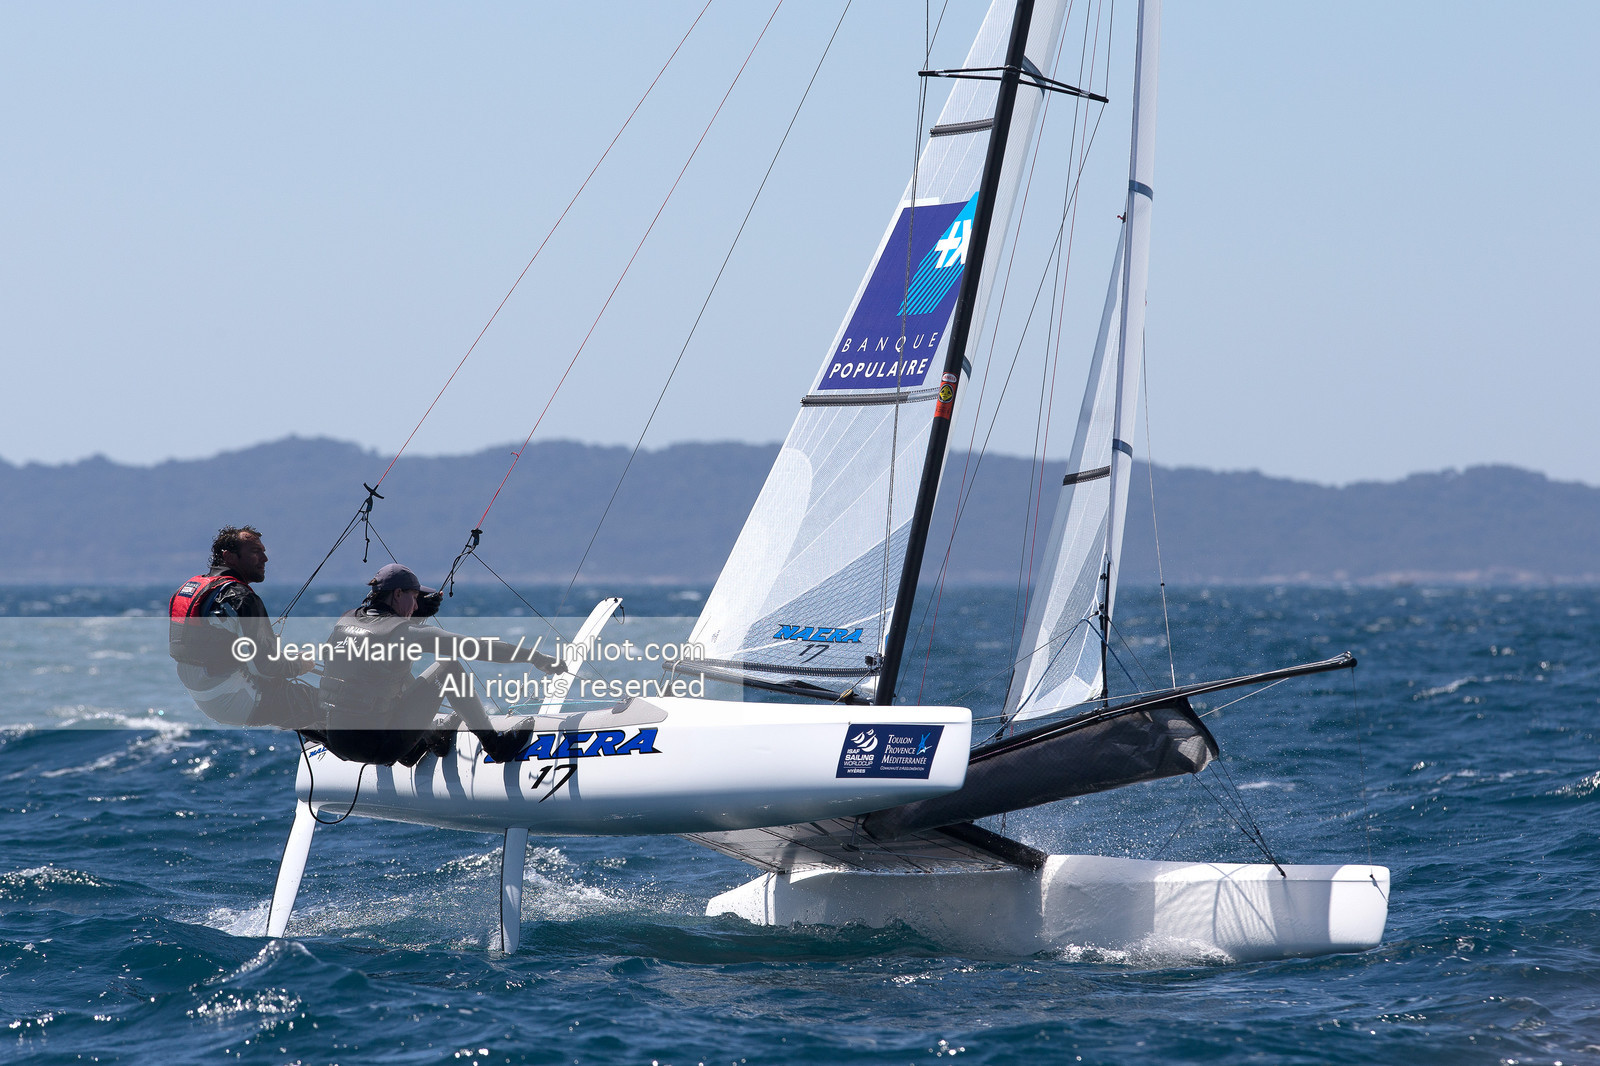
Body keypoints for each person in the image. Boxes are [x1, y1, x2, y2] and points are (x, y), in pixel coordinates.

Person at [317, 563, 559, 767]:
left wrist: (416, 616)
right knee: (448, 669)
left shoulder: (346, 619)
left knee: (387, 674)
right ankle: (496, 747)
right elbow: (477, 647)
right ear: (398, 594)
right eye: (413, 597)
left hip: (338, 743)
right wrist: (534, 657)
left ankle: (428, 742)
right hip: (379, 747)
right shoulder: (404, 633)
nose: (415, 605)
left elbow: (385, 657)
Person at [169, 525, 317, 727]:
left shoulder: (192, 589)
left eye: (264, 552)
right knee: (330, 703)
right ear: (229, 557)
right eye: (256, 552)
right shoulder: (242, 597)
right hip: (238, 700)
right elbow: (265, 666)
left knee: (300, 699)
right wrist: (299, 665)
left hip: (205, 696)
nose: (265, 559)